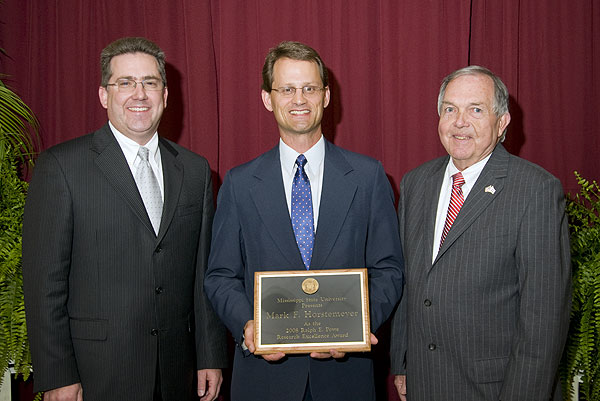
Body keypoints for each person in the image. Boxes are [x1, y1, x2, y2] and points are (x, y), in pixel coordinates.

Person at [22, 37, 227, 401]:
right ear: (104, 95)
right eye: (125, 82)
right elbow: (44, 284)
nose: (140, 94)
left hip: (177, 374)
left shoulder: (195, 171)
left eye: (150, 82)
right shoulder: (61, 167)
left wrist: (209, 355)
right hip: (96, 373)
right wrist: (56, 375)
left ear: (165, 95)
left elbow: (201, 275)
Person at [204, 41, 404, 401]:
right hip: (263, 381)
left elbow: (389, 269)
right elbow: (220, 276)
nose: (299, 99)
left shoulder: (368, 176)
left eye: (309, 88)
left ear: (326, 96)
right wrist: (248, 327)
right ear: (268, 98)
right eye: (287, 89)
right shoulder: (239, 183)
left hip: (346, 380)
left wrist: (357, 326)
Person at [390, 65, 571, 401]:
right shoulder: (416, 183)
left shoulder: (536, 190)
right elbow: (409, 283)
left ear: (501, 123)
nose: (460, 121)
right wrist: (402, 364)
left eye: (475, 109)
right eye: (450, 109)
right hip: (425, 382)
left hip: (497, 388)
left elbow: (544, 319)